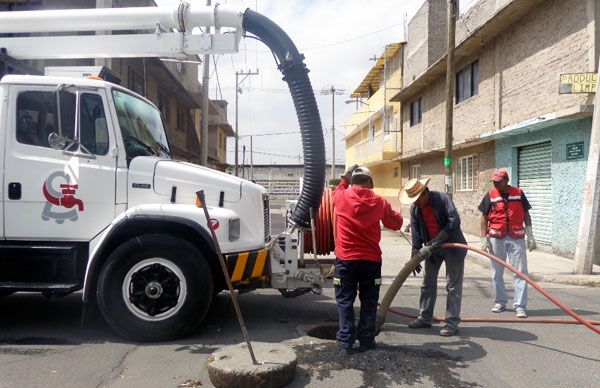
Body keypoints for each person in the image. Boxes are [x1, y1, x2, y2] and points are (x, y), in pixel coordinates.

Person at [332, 164, 404, 354]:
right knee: (369, 301)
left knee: (345, 301)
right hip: (371, 262)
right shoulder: (380, 202)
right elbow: (395, 224)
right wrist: (395, 213)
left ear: (352, 182)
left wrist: (345, 178)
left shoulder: (340, 197)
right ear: (370, 182)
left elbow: (338, 188)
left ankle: (345, 341)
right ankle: (366, 340)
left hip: (346, 260)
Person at [399, 178, 467, 337]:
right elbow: (415, 232)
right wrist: (415, 253)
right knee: (427, 283)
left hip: (452, 246)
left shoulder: (442, 199)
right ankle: (424, 317)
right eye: (413, 201)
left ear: (424, 193)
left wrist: (436, 242)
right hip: (432, 249)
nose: (416, 203)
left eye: (417, 199)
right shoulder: (415, 209)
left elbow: (454, 221)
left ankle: (451, 323)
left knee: (453, 286)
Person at [479, 169, 536, 318]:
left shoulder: (518, 193)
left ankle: (520, 306)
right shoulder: (490, 195)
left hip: (516, 237)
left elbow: (526, 215)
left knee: (520, 272)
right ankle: (500, 302)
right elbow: (484, 217)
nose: (496, 184)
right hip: (496, 238)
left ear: (506, 180)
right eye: (494, 182)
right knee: (497, 272)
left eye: (499, 181)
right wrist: (483, 238)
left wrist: (530, 236)